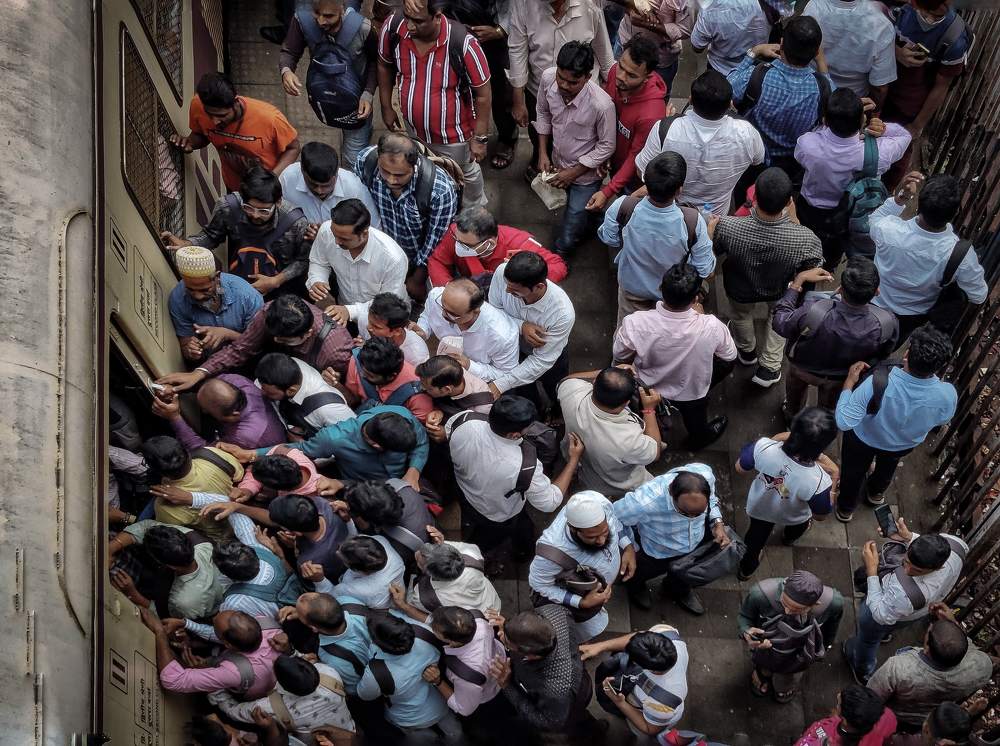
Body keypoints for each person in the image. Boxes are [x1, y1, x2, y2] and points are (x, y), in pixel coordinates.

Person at [711, 167, 824, 388]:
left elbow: (711, 253)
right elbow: (812, 264)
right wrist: (795, 220)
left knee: (741, 316)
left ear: (754, 198)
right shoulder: (804, 238)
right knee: (778, 315)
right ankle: (770, 366)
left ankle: (747, 352)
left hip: (739, 287)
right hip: (779, 288)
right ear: (788, 202)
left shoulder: (727, 227)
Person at [835, 324, 957, 520]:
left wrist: (849, 384)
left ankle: (846, 508)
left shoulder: (876, 383)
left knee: (853, 470)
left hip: (863, 439)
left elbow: (843, 421)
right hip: (902, 444)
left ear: (907, 354)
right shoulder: (947, 394)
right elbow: (942, 419)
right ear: (940, 365)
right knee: (888, 465)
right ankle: (875, 493)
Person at [378, 0, 493, 208]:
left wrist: (480, 138)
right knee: (422, 168)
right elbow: (384, 65)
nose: (410, 26)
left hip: (454, 137)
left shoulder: (464, 44)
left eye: (419, 21)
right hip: (413, 130)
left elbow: (483, 95)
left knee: (464, 171)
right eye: (407, 17)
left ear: (438, 16)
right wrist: (386, 106)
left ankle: (473, 211)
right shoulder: (394, 28)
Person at [445, 394, 583, 567]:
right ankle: (490, 557)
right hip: (498, 513)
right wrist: (573, 460)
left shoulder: (464, 420)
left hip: (465, 493)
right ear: (514, 434)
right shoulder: (525, 466)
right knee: (498, 535)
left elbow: (447, 429)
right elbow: (549, 502)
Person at [614, 263, 736, 449]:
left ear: (661, 290)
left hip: (647, 387)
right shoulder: (711, 326)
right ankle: (698, 439)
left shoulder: (635, 323)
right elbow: (729, 355)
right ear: (696, 298)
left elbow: (619, 353)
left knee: (645, 415)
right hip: (691, 390)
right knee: (696, 419)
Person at [795, 88, 912, 270]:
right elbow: (905, 135)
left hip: (810, 210)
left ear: (825, 120)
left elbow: (799, 156)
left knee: (802, 242)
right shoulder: (878, 154)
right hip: (846, 216)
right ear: (862, 119)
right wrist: (883, 128)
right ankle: (827, 267)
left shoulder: (808, 144)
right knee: (834, 248)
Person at [843, 518, 968, 683]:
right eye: (907, 561)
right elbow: (923, 547)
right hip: (914, 613)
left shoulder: (904, 595)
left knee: (868, 638)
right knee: (891, 625)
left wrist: (872, 571)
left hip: (890, 609)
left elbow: (880, 614)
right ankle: (884, 634)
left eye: (916, 570)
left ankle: (863, 668)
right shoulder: (956, 545)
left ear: (938, 567)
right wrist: (909, 537)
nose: (907, 570)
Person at [773, 257, 899, 419]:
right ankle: (818, 428)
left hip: (803, 368)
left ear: (840, 289)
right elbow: (884, 353)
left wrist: (797, 283)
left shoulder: (814, 311)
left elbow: (780, 323)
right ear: (876, 292)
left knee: (794, 398)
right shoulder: (886, 322)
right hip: (842, 377)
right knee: (827, 410)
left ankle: (791, 416)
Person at [869, 173, 988, 343]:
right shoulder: (960, 255)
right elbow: (979, 295)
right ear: (954, 213)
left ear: (919, 204)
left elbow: (873, 220)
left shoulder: (889, 230)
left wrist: (900, 198)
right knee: (889, 346)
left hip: (873, 299)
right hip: (909, 317)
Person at [600, 152, 715, 326]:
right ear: (679, 190)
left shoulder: (623, 206)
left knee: (627, 335)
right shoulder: (692, 221)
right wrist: (709, 235)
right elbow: (704, 269)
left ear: (646, 181)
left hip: (632, 289)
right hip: (672, 298)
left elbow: (610, 238)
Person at [161, 167, 311, 298]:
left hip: (282, 288)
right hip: (237, 282)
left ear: (278, 202)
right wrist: (187, 244)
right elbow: (211, 236)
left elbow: (303, 261)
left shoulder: (295, 222)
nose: (255, 215)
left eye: (264, 211)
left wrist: (276, 281)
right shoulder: (228, 207)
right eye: (249, 208)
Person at [157, 294, 354, 393]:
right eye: (275, 337)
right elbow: (240, 349)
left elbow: (340, 390)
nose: (276, 342)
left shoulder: (335, 349)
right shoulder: (270, 312)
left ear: (308, 333)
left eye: (284, 341)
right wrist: (198, 374)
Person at [634, 70, 765, 218]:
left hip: (674, 216)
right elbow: (758, 160)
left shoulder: (666, 130)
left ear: (690, 100)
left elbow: (642, 172)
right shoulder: (747, 133)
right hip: (718, 218)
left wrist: (668, 123)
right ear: (730, 104)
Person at [507, 0, 614, 174]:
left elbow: (605, 55)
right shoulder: (523, 4)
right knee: (540, 135)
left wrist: (613, 101)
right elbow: (517, 49)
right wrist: (518, 100)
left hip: (584, 99)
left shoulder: (590, 6)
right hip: (537, 90)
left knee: (580, 142)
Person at [735, 407, 840, 580]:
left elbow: (740, 467)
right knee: (798, 528)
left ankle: (746, 570)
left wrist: (777, 439)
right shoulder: (819, 481)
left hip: (761, 509)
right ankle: (788, 539)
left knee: (754, 540)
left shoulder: (764, 447)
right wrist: (834, 479)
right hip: (794, 516)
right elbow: (821, 515)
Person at [534, 41, 617, 257]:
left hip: (585, 178)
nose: (563, 85)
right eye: (561, 77)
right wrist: (542, 152)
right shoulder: (547, 78)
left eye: (573, 82)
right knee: (582, 211)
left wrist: (573, 173)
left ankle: (561, 254)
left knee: (572, 219)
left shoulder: (602, 105)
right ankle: (596, 223)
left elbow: (607, 145)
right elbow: (543, 113)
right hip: (557, 162)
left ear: (588, 77)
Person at [614, 464, 732, 615]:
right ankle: (636, 588)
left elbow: (713, 499)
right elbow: (614, 518)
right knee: (638, 575)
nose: (692, 519)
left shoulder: (706, 475)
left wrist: (717, 522)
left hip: (695, 543)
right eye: (685, 513)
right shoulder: (643, 502)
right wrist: (628, 547)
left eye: (698, 514)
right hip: (656, 551)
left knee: (684, 574)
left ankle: (677, 590)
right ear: (671, 493)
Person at [355, 133, 459, 301]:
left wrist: (417, 279)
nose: (390, 179)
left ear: (414, 164)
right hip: (378, 253)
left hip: (417, 261)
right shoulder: (366, 161)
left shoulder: (439, 191)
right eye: (385, 171)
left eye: (399, 175)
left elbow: (436, 241)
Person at [881, 0, 974, 187]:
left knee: (896, 161)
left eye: (939, 15)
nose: (931, 19)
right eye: (927, 13)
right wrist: (897, 52)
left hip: (908, 106)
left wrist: (916, 126)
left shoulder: (954, 38)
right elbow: (874, 35)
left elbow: (941, 87)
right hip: (879, 89)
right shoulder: (898, 10)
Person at [278, 0, 377, 169]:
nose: (321, 21)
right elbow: (290, 51)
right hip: (325, 96)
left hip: (357, 102)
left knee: (353, 157)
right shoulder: (302, 20)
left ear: (343, 8)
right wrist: (286, 71)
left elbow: (377, 62)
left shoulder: (363, 28)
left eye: (329, 16)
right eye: (316, 14)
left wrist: (367, 94)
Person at [727, 18, 832, 176]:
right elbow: (837, 102)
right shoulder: (821, 88)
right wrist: (822, 64)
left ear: (781, 44)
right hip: (793, 166)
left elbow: (727, 88)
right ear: (816, 52)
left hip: (753, 160)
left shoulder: (757, 75)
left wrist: (754, 51)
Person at [868, 603, 993, 733]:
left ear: (927, 647)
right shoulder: (981, 667)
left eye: (929, 630)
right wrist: (952, 622)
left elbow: (872, 696)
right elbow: (965, 647)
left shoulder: (899, 668)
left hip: (892, 716)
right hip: (926, 720)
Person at [233, 405, 429, 488]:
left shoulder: (402, 416)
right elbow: (298, 450)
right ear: (376, 445)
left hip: (405, 482)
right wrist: (251, 454)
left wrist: (414, 471)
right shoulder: (333, 438)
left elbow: (421, 443)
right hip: (361, 487)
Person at [529, 491, 636, 641]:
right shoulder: (550, 554)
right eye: (592, 537)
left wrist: (627, 546)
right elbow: (539, 584)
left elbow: (616, 522)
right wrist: (581, 602)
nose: (601, 541)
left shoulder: (599, 501)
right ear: (573, 529)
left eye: (605, 532)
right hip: (579, 601)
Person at [171, 72, 301, 192]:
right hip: (234, 187)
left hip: (266, 190)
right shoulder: (197, 105)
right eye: (210, 115)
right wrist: (190, 143)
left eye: (222, 115)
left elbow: (293, 148)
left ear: (236, 103)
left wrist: (272, 179)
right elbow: (202, 135)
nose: (215, 121)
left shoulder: (271, 119)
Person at [489, 605, 598, 742]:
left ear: (530, 655)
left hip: (571, 699)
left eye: (507, 642)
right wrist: (511, 630)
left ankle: (592, 734)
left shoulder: (555, 688)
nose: (500, 635)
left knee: (575, 721)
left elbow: (549, 721)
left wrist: (507, 686)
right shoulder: (555, 612)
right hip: (573, 672)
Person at [585, 35, 666, 213]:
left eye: (631, 75)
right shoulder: (615, 72)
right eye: (621, 65)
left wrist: (608, 191)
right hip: (613, 162)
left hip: (634, 180)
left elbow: (634, 157)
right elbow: (605, 112)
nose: (620, 76)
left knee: (627, 213)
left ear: (647, 77)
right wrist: (604, 152)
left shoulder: (651, 115)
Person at [737, 570, 844, 702]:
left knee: (790, 675)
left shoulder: (834, 604)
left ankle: (783, 684)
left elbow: (831, 628)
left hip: (799, 651)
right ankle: (762, 674)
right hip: (767, 645)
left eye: (796, 609)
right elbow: (745, 617)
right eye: (784, 603)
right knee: (763, 665)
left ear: (816, 605)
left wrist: (823, 648)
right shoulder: (760, 595)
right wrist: (746, 632)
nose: (787, 611)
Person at [556, 367, 661, 497]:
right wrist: (649, 411)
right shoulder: (629, 440)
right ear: (626, 403)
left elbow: (566, 380)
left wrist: (606, 373)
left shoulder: (572, 392)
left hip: (585, 470)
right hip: (618, 484)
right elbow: (654, 452)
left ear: (594, 383)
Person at [356, 614, 463, 743]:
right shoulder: (426, 633)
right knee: (456, 735)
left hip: (409, 720)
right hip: (441, 705)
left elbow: (364, 695)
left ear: (377, 643)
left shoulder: (376, 673)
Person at [487, 252, 576, 404]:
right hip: (513, 349)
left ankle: (557, 410)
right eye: (506, 285)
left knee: (556, 389)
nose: (507, 291)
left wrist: (500, 385)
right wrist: (522, 326)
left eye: (514, 290)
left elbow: (542, 360)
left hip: (550, 356)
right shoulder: (502, 272)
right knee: (525, 392)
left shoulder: (562, 314)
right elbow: (493, 313)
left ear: (539, 286)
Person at [442, 0, 520, 173]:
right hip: (455, 30)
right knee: (459, 89)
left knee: (500, 92)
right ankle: (464, 136)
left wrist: (500, 31)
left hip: (494, 36)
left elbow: (520, 7)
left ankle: (507, 138)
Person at [141, 608, 285, 699]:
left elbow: (173, 680)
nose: (214, 618)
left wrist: (159, 632)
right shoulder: (266, 623)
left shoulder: (234, 672)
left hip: (238, 696)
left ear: (228, 644)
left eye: (215, 625)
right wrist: (185, 624)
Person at [210, 655, 356, 744]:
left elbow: (232, 711)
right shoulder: (329, 672)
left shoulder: (272, 707)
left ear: (283, 686)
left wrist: (213, 683)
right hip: (351, 737)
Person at [581, 625, 690, 742]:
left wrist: (620, 702)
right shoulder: (666, 632)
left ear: (645, 668)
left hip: (648, 715)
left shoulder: (662, 704)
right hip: (641, 697)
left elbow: (649, 728)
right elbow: (638, 638)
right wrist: (600, 646)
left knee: (640, 736)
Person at [423, 606, 512, 737]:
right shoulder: (477, 619)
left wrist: (438, 681)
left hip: (488, 695)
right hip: (497, 656)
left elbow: (464, 708)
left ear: (453, 642)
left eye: (435, 630)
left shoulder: (467, 675)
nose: (432, 629)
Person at [427, 204, 568, 287]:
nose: (457, 245)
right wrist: (448, 289)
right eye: (456, 239)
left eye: (465, 244)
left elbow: (558, 266)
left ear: (489, 243)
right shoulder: (456, 233)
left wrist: (526, 280)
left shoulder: (520, 245)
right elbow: (437, 260)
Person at [109, 521, 224, 620]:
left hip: (202, 610)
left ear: (166, 566)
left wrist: (133, 594)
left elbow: (165, 617)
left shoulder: (183, 601)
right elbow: (146, 526)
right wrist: (110, 549)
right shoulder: (200, 543)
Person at [168, 246, 263, 363]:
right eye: (190, 289)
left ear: (217, 277)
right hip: (208, 366)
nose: (197, 296)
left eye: (205, 290)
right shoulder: (178, 298)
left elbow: (259, 345)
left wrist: (227, 334)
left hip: (246, 363)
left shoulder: (247, 297)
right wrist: (191, 351)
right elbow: (185, 344)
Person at [415, 278, 521, 384]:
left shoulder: (503, 337)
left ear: (475, 312)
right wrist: (423, 331)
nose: (443, 314)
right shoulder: (435, 296)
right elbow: (428, 316)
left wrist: (469, 365)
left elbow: (505, 374)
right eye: (442, 306)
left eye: (452, 314)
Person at [307, 198, 408, 308]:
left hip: (382, 319)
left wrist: (350, 312)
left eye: (344, 239)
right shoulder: (326, 231)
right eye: (334, 234)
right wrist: (317, 280)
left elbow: (387, 305)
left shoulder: (393, 259)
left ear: (364, 234)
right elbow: (318, 262)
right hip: (342, 307)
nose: (336, 242)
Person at [138, 435, 243, 541]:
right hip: (241, 518)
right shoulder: (212, 454)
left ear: (156, 471)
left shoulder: (165, 507)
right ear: (187, 453)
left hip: (217, 540)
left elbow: (174, 537)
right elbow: (240, 476)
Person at [152, 373, 287, 452]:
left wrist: (175, 418)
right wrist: (175, 389)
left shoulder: (243, 436)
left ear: (233, 415)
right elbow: (203, 385)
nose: (203, 411)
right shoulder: (233, 380)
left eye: (206, 409)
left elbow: (204, 452)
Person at [280, 591, 374, 696]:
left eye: (299, 613)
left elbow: (354, 690)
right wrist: (300, 614)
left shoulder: (334, 660)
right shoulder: (349, 601)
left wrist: (320, 664)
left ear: (314, 628)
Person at [803, 0, 896, 101]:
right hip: (851, 104)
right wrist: (875, 111)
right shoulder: (882, 26)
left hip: (811, 91)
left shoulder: (813, 7)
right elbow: (880, 87)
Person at [280, 142, 381, 230]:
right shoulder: (287, 179)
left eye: (326, 186)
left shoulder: (354, 188)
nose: (319, 191)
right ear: (302, 170)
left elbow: (374, 229)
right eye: (313, 184)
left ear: (337, 173)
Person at [337, 479, 434, 568]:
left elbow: (374, 546)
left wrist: (353, 518)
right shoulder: (398, 486)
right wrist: (339, 484)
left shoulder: (402, 545)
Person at [255, 352, 355, 437]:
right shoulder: (285, 368)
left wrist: (302, 446)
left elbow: (349, 442)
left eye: (269, 393)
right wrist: (289, 428)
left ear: (291, 390)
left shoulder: (330, 409)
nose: (262, 392)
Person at [397, 539, 502, 617]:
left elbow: (412, 602)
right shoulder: (472, 553)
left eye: (419, 563)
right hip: (492, 604)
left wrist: (413, 577)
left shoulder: (425, 596)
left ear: (430, 574)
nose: (417, 554)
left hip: (473, 622)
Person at [342, 337, 435, 422]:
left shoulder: (418, 395)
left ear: (391, 376)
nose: (362, 375)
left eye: (370, 375)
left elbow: (417, 431)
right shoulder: (358, 362)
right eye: (362, 370)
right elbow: (352, 401)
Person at [334, 292, 430, 366]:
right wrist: (346, 310)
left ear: (396, 331)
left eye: (376, 327)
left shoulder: (417, 356)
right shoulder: (372, 317)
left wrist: (368, 350)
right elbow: (358, 310)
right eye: (369, 321)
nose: (369, 328)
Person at [417, 356, 495, 442]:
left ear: (446, 389)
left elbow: (478, 436)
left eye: (429, 388)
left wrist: (448, 434)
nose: (423, 388)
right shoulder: (449, 370)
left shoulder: (482, 406)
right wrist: (439, 411)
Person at [322, 534, 406, 609]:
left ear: (360, 572)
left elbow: (328, 601)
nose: (337, 552)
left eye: (344, 560)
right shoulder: (380, 540)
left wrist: (320, 580)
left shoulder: (351, 589)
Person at [690, 0, 772, 76]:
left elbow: (697, 47)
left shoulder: (710, 9)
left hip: (721, 71)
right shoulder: (770, 4)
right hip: (754, 72)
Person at [795, 685, 898, 746]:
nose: (838, 695)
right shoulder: (888, 717)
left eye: (839, 703)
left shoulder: (824, 733)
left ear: (844, 720)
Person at [232, 448, 323, 504]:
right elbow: (255, 469)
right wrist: (248, 489)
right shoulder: (286, 452)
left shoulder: (303, 501)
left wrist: (272, 497)